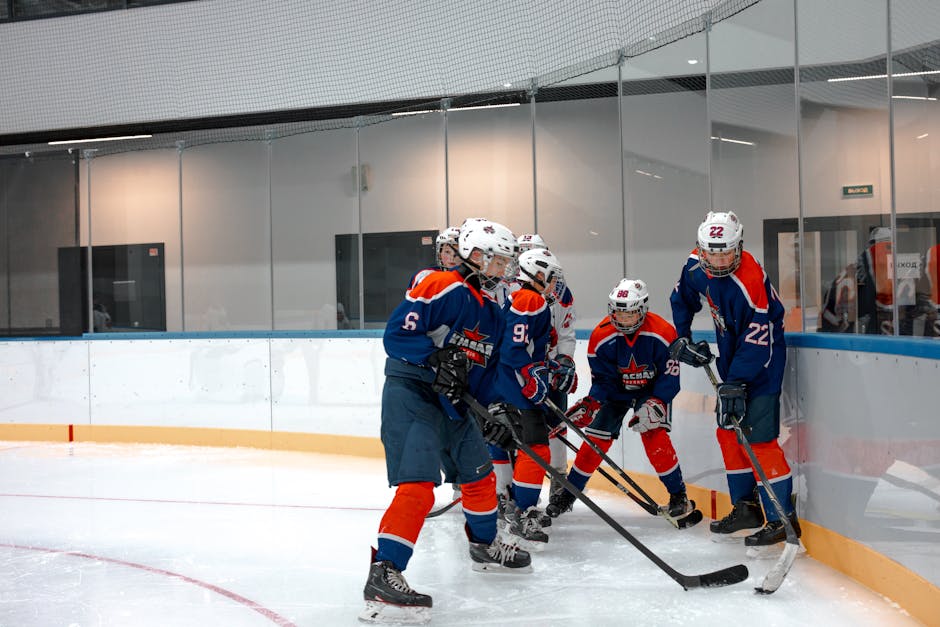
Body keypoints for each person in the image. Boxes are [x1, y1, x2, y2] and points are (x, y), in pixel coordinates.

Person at [362, 219, 532, 624]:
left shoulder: (493, 312)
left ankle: (484, 545)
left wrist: (495, 410)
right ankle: (385, 571)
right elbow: (397, 336)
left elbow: (485, 374)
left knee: (479, 475)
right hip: (414, 394)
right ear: (476, 256)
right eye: (497, 263)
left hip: (454, 403)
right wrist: (434, 357)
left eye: (506, 264)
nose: (503, 271)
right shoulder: (441, 284)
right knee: (419, 485)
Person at [669, 210, 800, 548]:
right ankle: (746, 508)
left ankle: (780, 517)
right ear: (701, 248)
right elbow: (681, 298)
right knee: (729, 433)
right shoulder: (696, 265)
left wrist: (737, 382)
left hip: (763, 363)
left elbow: (759, 342)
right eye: (712, 252)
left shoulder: (751, 279)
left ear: (739, 245)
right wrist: (680, 337)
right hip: (732, 356)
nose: (719, 259)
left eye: (726, 252)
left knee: (760, 441)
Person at [545, 279, 693, 522]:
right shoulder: (601, 337)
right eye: (618, 312)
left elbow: (670, 377)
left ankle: (678, 495)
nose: (623, 319)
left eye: (630, 313)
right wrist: (591, 404)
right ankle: (568, 495)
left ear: (643, 309)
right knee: (595, 440)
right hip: (616, 393)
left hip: (652, 391)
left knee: (654, 436)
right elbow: (603, 382)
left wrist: (656, 403)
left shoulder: (664, 333)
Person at [490, 247, 565, 548]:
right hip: (514, 387)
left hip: (509, 384)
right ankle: (523, 510)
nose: (552, 285)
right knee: (536, 449)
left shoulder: (523, 297)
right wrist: (531, 374)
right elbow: (512, 348)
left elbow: (522, 345)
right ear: (537, 274)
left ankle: (518, 506)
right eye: (549, 278)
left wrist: (545, 366)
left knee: (530, 448)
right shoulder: (530, 299)